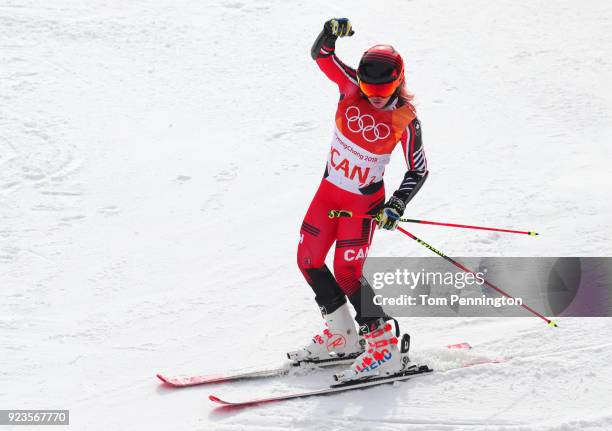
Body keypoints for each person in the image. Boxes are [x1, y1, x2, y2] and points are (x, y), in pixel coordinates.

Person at [287, 18, 429, 382]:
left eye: (383, 88)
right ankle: (343, 335)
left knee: (348, 273)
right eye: (369, 86)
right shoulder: (350, 88)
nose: (375, 94)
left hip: (362, 206)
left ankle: (383, 348)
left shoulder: (405, 118)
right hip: (328, 193)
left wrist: (397, 203)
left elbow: (418, 169)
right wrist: (330, 31)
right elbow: (321, 56)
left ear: (398, 80)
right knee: (309, 260)